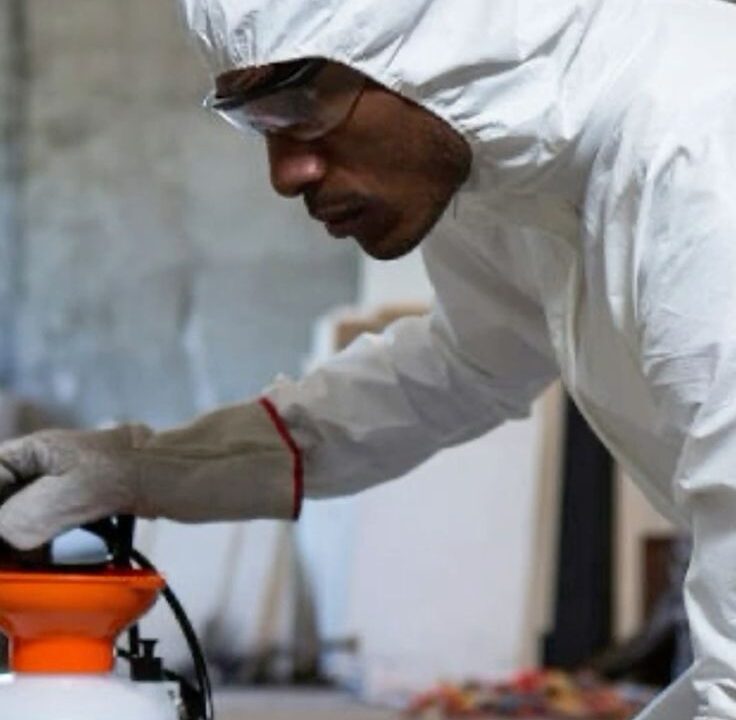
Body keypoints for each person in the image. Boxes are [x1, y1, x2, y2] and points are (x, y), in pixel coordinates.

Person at [0, 0, 735, 716]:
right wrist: (146, 468)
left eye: (297, 104)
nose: (285, 174)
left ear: (437, 41)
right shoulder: (511, 161)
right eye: (256, 122)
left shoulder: (701, 161)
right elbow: (462, 364)